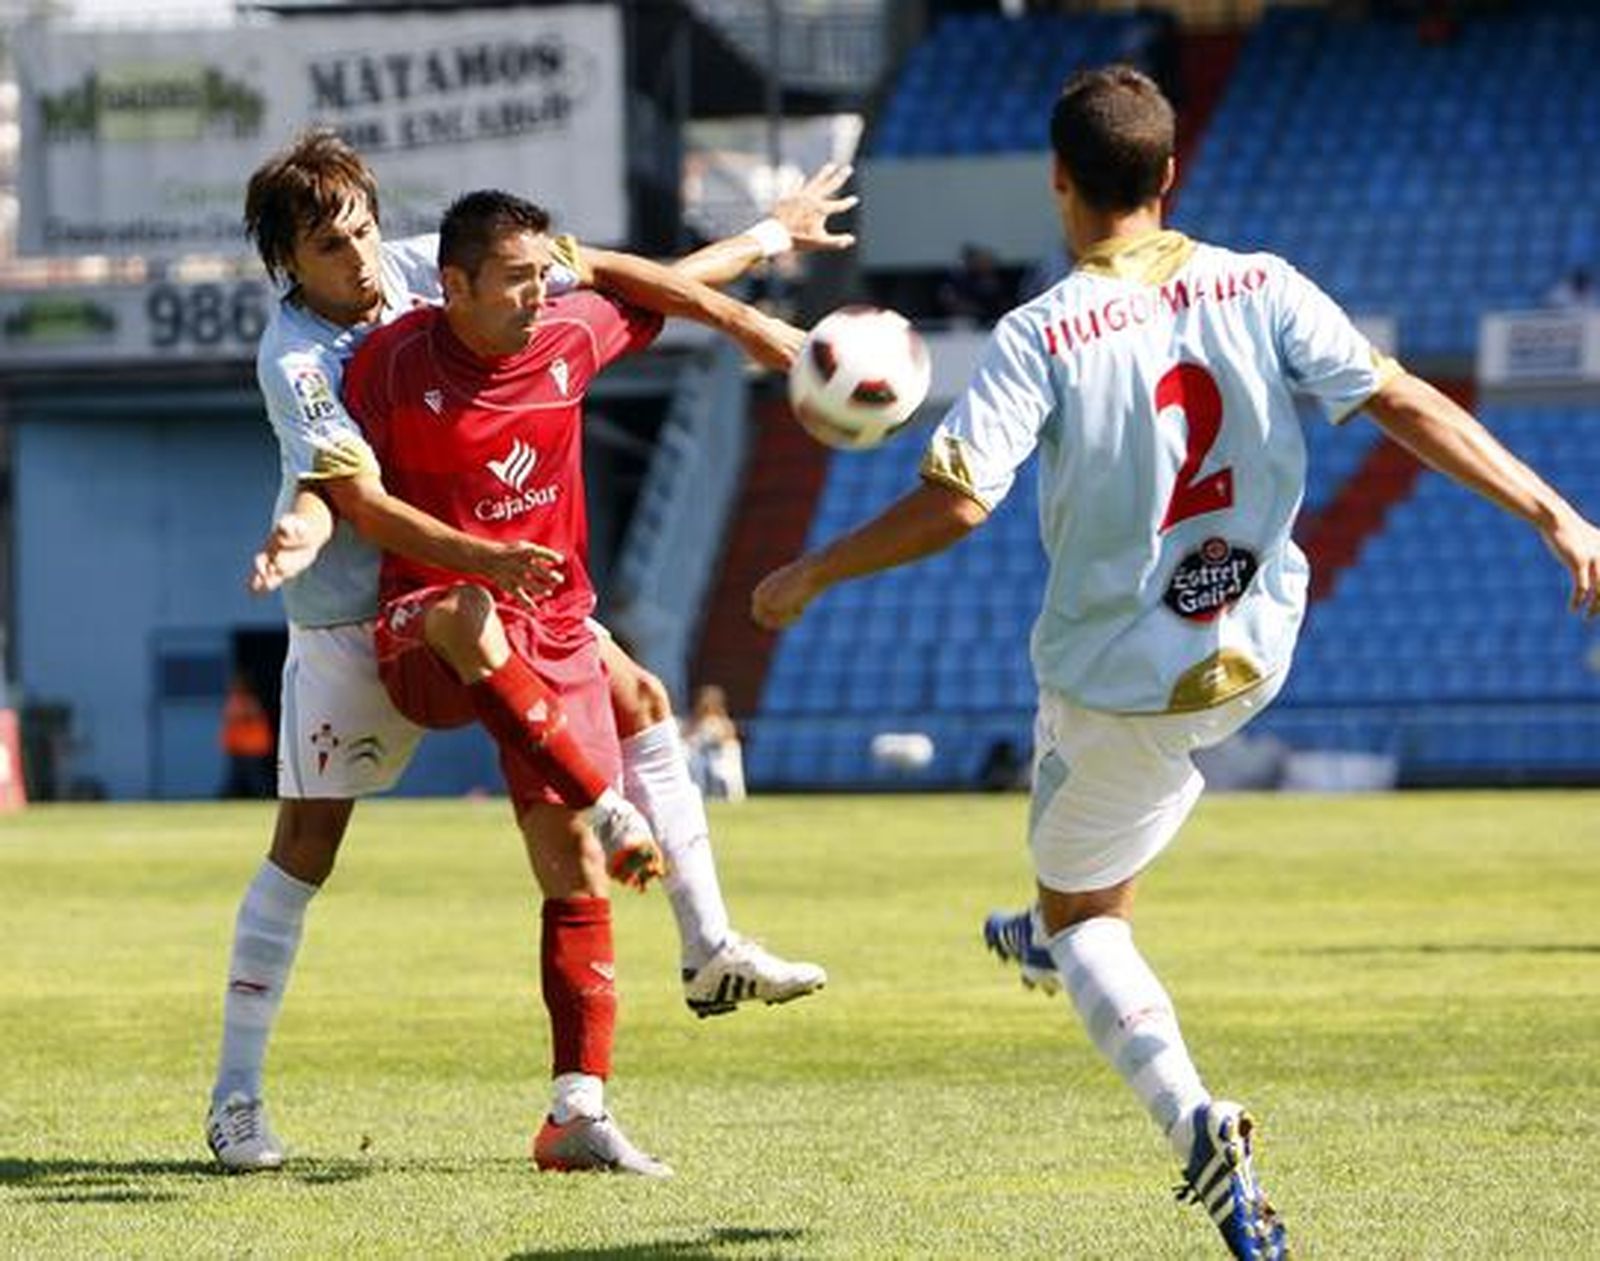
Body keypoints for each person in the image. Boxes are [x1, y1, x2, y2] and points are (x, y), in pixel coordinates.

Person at [752, 65, 1600, 1259]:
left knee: (1086, 915)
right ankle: (1047, 925)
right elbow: (1400, 400)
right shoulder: (1263, 282)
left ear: (1057, 184)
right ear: (1167, 176)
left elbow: (954, 504)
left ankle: (1192, 1118)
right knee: (1097, 847)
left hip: (1116, 680)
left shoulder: (1037, 331)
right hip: (1254, 646)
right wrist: (1555, 514)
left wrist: (807, 573)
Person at [206, 130, 842, 1173]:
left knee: (634, 697)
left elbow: (611, 283)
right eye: (330, 246)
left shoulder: (435, 266)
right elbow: (350, 501)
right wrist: (304, 534)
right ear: (289, 264)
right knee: (304, 852)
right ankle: (235, 1100)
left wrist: (759, 261)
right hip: (355, 616)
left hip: (497, 594)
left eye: (363, 228)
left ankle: (695, 955)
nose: (361, 259)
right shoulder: (300, 362)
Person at [343, 189, 808, 1176]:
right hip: (423, 630)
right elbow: (342, 486)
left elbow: (669, 285)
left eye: (544, 275)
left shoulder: (568, 333)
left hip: (551, 632)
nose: (537, 293)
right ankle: (615, 813)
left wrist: (766, 250)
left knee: (579, 865)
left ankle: (577, 1111)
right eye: (515, 280)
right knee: (472, 617)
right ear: (453, 284)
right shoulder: (390, 363)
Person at [683, 684, 746, 802]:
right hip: (700, 755)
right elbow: (685, 737)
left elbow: (729, 739)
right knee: (696, 764)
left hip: (719, 756)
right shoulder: (695, 720)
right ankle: (701, 793)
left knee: (710, 767)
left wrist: (714, 738)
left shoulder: (723, 720)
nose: (706, 706)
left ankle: (722, 794)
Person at [218, 670, 274, 799]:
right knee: (237, 778)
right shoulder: (235, 700)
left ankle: (266, 797)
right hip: (239, 748)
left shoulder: (250, 701)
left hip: (252, 748)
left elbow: (244, 714)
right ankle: (225, 798)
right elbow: (229, 716)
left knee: (256, 779)